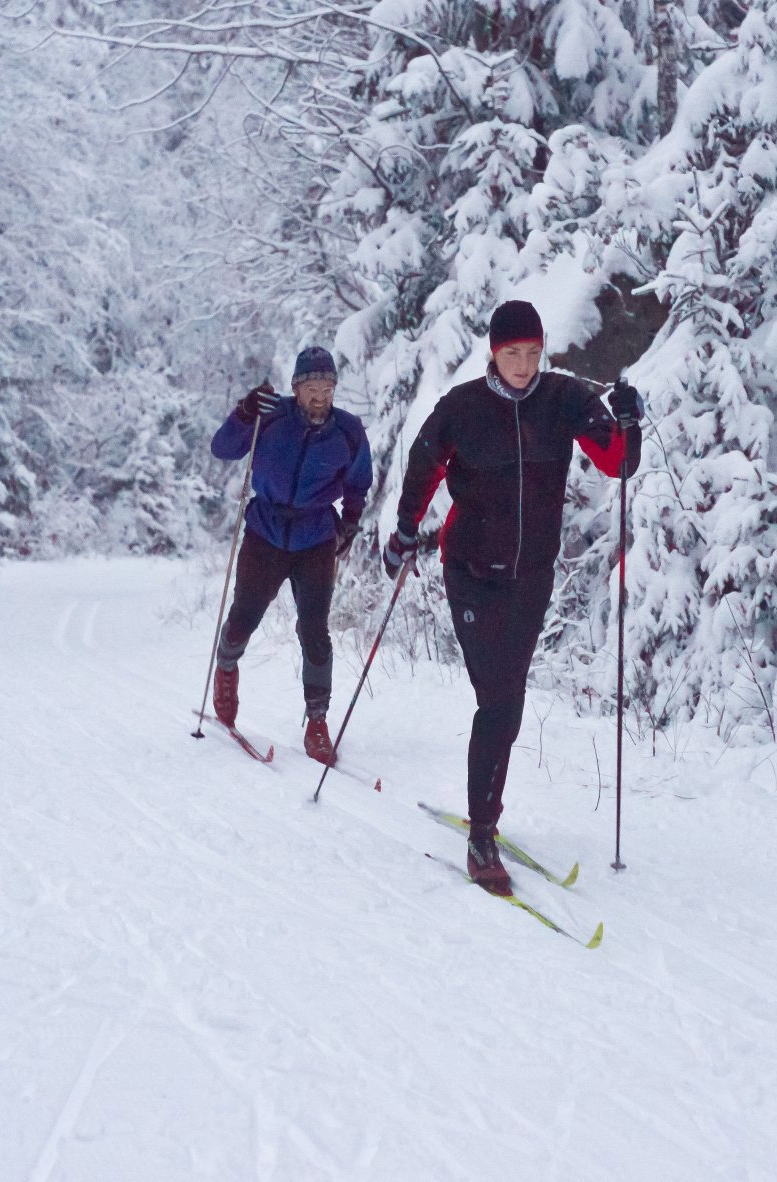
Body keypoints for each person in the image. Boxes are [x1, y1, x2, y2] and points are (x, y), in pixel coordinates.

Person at [384, 300, 643, 893]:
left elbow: (617, 463)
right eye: (512, 354)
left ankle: (485, 814)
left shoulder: (565, 398)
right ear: (493, 354)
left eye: (532, 352)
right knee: (498, 701)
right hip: (471, 571)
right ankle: (482, 833)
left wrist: (628, 423)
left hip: (533, 575)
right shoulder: (463, 409)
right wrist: (404, 530)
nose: (524, 365)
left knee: (509, 701)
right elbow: (422, 466)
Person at [210, 346, 372, 766]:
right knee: (245, 615)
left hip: (315, 536)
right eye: (311, 387)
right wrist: (245, 412)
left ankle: (316, 723)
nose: (320, 396)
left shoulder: (348, 432)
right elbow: (223, 449)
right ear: (296, 388)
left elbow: (358, 484)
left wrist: (350, 522)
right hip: (265, 531)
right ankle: (226, 670)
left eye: (328, 387)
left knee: (315, 629)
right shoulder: (271, 416)